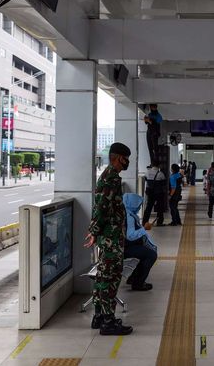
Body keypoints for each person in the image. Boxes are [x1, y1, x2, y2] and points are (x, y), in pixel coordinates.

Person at [84, 142, 133, 335]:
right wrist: (94, 231)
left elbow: (102, 207)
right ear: (117, 157)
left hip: (108, 236)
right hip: (110, 238)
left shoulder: (108, 175)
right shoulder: (111, 177)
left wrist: (95, 231)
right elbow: (102, 208)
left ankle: (99, 316)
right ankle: (108, 322)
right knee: (110, 278)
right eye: (125, 158)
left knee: (103, 276)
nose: (127, 162)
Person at [122, 193, 158, 291]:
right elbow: (130, 236)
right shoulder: (129, 216)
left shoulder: (126, 212)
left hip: (122, 246)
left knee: (144, 252)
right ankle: (138, 283)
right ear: (132, 204)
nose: (139, 207)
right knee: (151, 255)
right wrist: (144, 229)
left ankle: (133, 278)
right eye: (138, 205)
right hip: (125, 248)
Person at [144, 160, 167, 226]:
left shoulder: (147, 172)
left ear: (152, 165)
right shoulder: (160, 173)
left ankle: (145, 222)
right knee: (160, 207)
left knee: (149, 207)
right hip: (159, 193)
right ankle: (159, 222)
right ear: (159, 165)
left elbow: (146, 179)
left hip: (150, 192)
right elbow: (164, 183)